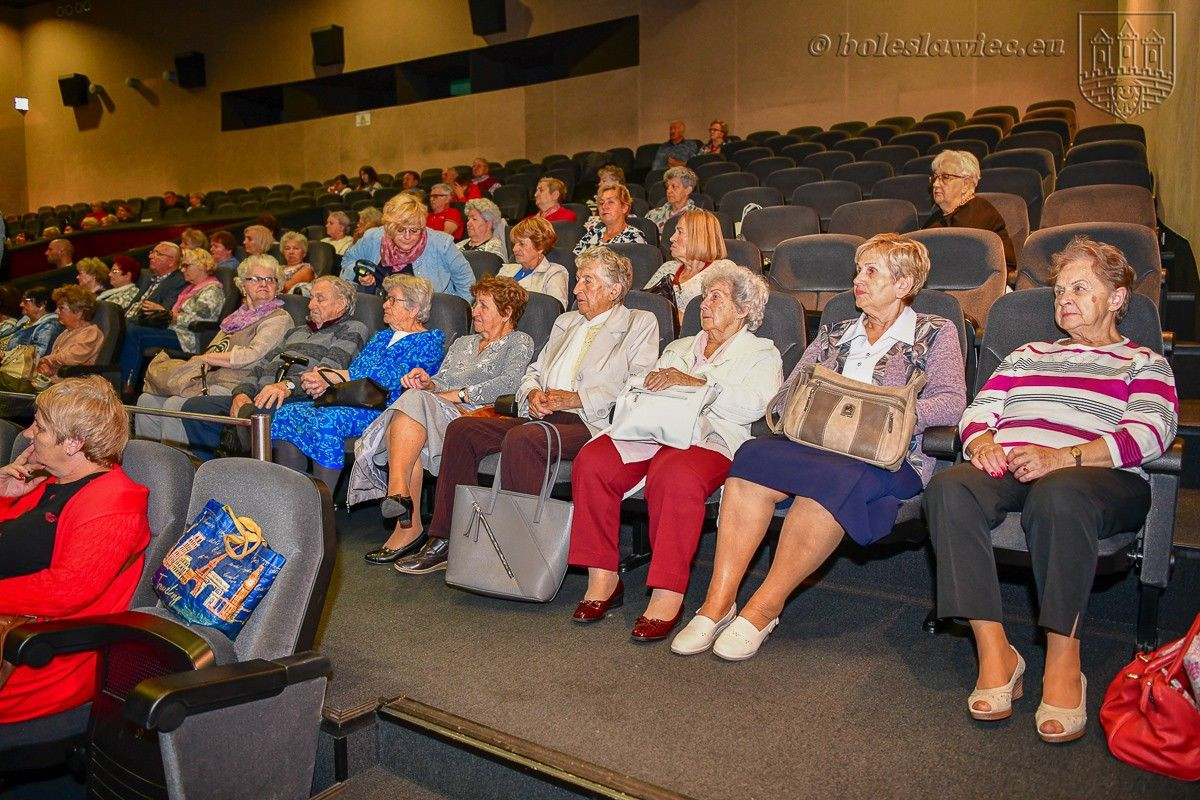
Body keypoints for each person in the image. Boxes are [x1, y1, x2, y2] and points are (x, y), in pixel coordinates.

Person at [923, 236, 1178, 743]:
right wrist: (984, 442)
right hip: (1015, 462)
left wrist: (1064, 458)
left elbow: (1152, 433)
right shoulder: (1028, 353)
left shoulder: (1143, 362)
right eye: (1060, 289)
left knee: (1057, 494)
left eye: (1080, 288)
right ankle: (996, 652)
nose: (1064, 298)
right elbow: (978, 410)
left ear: (1118, 297)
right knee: (950, 488)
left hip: (1099, 477)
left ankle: (1064, 658)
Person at [673, 233, 967, 660]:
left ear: (904, 285)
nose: (857, 280)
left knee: (829, 483)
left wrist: (881, 415)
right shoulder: (836, 332)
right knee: (751, 458)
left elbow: (952, 402)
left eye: (871, 271)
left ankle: (762, 608)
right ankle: (718, 603)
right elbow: (788, 393)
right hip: (820, 445)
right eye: (858, 270)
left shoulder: (933, 332)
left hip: (887, 455)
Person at [393, 246, 659, 574]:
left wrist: (576, 398)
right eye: (578, 281)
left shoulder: (639, 323)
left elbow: (639, 383)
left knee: (524, 438)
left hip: (590, 421)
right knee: (462, 430)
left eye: (587, 281)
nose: (577, 289)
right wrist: (532, 392)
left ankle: (513, 553)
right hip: (541, 413)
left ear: (615, 290)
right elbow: (534, 371)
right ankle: (447, 538)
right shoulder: (566, 322)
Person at [568, 264, 782, 639]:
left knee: (676, 472)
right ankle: (603, 577)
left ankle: (668, 592)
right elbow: (638, 387)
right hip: (654, 430)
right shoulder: (680, 346)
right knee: (594, 460)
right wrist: (649, 382)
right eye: (705, 296)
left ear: (744, 309)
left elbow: (756, 406)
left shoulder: (761, 352)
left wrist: (698, 383)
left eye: (717, 296)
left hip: (711, 439)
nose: (705, 303)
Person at [347, 276, 534, 563]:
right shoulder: (464, 343)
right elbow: (441, 380)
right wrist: (427, 382)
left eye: (483, 305)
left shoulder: (519, 341)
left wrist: (456, 395)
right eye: (475, 303)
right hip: (437, 410)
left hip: (477, 418)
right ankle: (401, 504)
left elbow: (510, 383)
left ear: (507, 312)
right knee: (413, 404)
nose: (474, 311)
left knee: (410, 406)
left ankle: (401, 506)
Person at [0, 377, 150, 727]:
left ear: (73, 443)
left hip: (34, 658)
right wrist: (4, 496)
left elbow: (66, 590)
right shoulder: (54, 482)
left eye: (39, 427)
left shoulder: (114, 503)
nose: (26, 434)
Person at [271, 275, 446, 490]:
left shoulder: (429, 342)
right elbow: (356, 372)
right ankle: (293, 496)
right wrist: (323, 377)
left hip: (387, 408)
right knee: (287, 413)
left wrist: (331, 377)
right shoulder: (381, 337)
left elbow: (387, 379)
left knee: (328, 419)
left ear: (414, 308)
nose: (384, 304)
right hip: (357, 400)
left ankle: (321, 508)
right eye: (386, 298)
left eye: (392, 300)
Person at [180, 275, 367, 459]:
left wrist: (287, 386)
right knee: (194, 407)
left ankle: (247, 469)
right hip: (261, 395)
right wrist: (241, 393)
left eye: (320, 299)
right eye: (311, 298)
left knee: (259, 413)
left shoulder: (352, 329)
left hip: (300, 398)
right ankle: (218, 468)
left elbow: (325, 373)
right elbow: (261, 365)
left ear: (341, 303)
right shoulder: (296, 331)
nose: (310, 305)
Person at [136, 255, 294, 447]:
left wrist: (207, 358)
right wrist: (205, 360)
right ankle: (149, 464)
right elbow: (213, 349)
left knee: (174, 405)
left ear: (278, 287)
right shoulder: (236, 318)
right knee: (147, 401)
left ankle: (177, 469)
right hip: (208, 379)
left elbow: (252, 355)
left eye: (270, 279)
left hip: (238, 383)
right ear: (243, 286)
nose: (264, 284)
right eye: (255, 279)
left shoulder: (278, 318)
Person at [118, 248, 225, 391]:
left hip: (191, 338)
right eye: (182, 265)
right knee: (131, 327)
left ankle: (127, 385)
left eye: (187, 265)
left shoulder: (212, 290)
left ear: (202, 266)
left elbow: (197, 321)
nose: (183, 269)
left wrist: (168, 314)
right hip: (176, 331)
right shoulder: (190, 289)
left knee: (136, 333)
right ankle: (126, 381)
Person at [340, 193, 474, 301]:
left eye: (415, 230)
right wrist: (361, 274)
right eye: (400, 230)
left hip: (429, 315)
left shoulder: (442, 243)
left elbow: (466, 281)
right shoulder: (373, 238)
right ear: (389, 227)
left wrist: (461, 316)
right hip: (380, 310)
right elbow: (348, 260)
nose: (408, 236)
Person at [922, 149, 1016, 282]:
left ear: (966, 184)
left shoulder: (981, 212)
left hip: (982, 287)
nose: (936, 184)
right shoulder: (934, 219)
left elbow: (958, 260)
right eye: (935, 177)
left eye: (945, 177)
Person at [643, 209, 736, 324]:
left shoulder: (722, 270)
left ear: (698, 237)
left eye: (680, 232)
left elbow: (726, 316)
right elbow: (643, 302)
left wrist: (677, 317)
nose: (672, 238)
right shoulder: (667, 267)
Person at [28, 286, 103, 386]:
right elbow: (58, 363)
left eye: (61, 308)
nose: (56, 311)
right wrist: (46, 367)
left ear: (78, 312)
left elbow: (70, 358)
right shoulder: (66, 333)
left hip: (78, 388)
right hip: (58, 384)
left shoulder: (91, 333)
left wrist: (45, 360)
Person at [498, 217, 569, 308]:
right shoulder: (506, 269)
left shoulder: (554, 273)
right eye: (514, 244)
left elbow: (555, 310)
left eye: (522, 244)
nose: (514, 249)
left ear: (540, 247)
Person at [573, 185, 647, 255]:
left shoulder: (634, 236)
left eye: (611, 202)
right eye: (601, 203)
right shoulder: (593, 233)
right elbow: (573, 259)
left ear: (624, 208)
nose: (604, 207)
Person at [126, 241, 187, 323]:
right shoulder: (147, 277)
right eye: (152, 252)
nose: (150, 256)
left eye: (158, 254)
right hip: (126, 320)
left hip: (141, 325)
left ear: (171, 262)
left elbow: (162, 313)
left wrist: (126, 323)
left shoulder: (179, 281)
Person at [4, 287, 61, 358]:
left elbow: (37, 354)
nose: (21, 304)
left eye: (25, 301)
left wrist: (4, 356)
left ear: (42, 304)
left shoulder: (50, 326)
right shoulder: (24, 320)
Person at [645, 167, 699, 232]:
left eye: (674, 186)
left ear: (688, 190)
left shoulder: (698, 217)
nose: (668, 191)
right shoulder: (652, 215)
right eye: (667, 186)